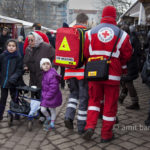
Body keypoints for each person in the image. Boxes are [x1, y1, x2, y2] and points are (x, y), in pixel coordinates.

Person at [83, 6, 132, 142]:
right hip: (113, 73)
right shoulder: (122, 34)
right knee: (110, 104)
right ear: (115, 16)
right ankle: (106, 134)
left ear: (102, 16)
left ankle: (90, 127)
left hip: (94, 72)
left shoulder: (90, 32)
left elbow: (86, 53)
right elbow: (127, 54)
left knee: (93, 101)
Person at [64, 13, 89, 134]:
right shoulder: (86, 33)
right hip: (82, 71)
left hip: (69, 71)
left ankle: (68, 116)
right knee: (84, 98)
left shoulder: (68, 32)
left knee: (73, 94)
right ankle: (81, 126)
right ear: (85, 21)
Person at [0, 39, 24, 120]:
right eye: (9, 46)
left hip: (13, 82)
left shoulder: (18, 57)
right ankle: (0, 114)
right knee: (3, 99)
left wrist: (13, 78)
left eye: (13, 46)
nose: (11, 47)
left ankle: (16, 114)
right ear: (6, 46)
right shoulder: (2, 56)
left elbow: (19, 70)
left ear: (16, 47)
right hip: (4, 82)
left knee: (14, 98)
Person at [118, 25, 140, 110]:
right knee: (125, 82)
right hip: (131, 64)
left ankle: (135, 103)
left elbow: (127, 54)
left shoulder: (129, 40)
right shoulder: (132, 38)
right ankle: (121, 98)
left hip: (129, 65)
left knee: (128, 83)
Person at [40, 58, 62, 130]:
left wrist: (47, 96)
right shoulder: (44, 74)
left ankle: (52, 123)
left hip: (53, 96)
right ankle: (48, 118)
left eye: (47, 64)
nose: (46, 66)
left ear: (50, 65)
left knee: (52, 110)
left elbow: (54, 88)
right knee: (42, 109)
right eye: (44, 64)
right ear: (41, 67)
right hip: (46, 96)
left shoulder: (52, 74)